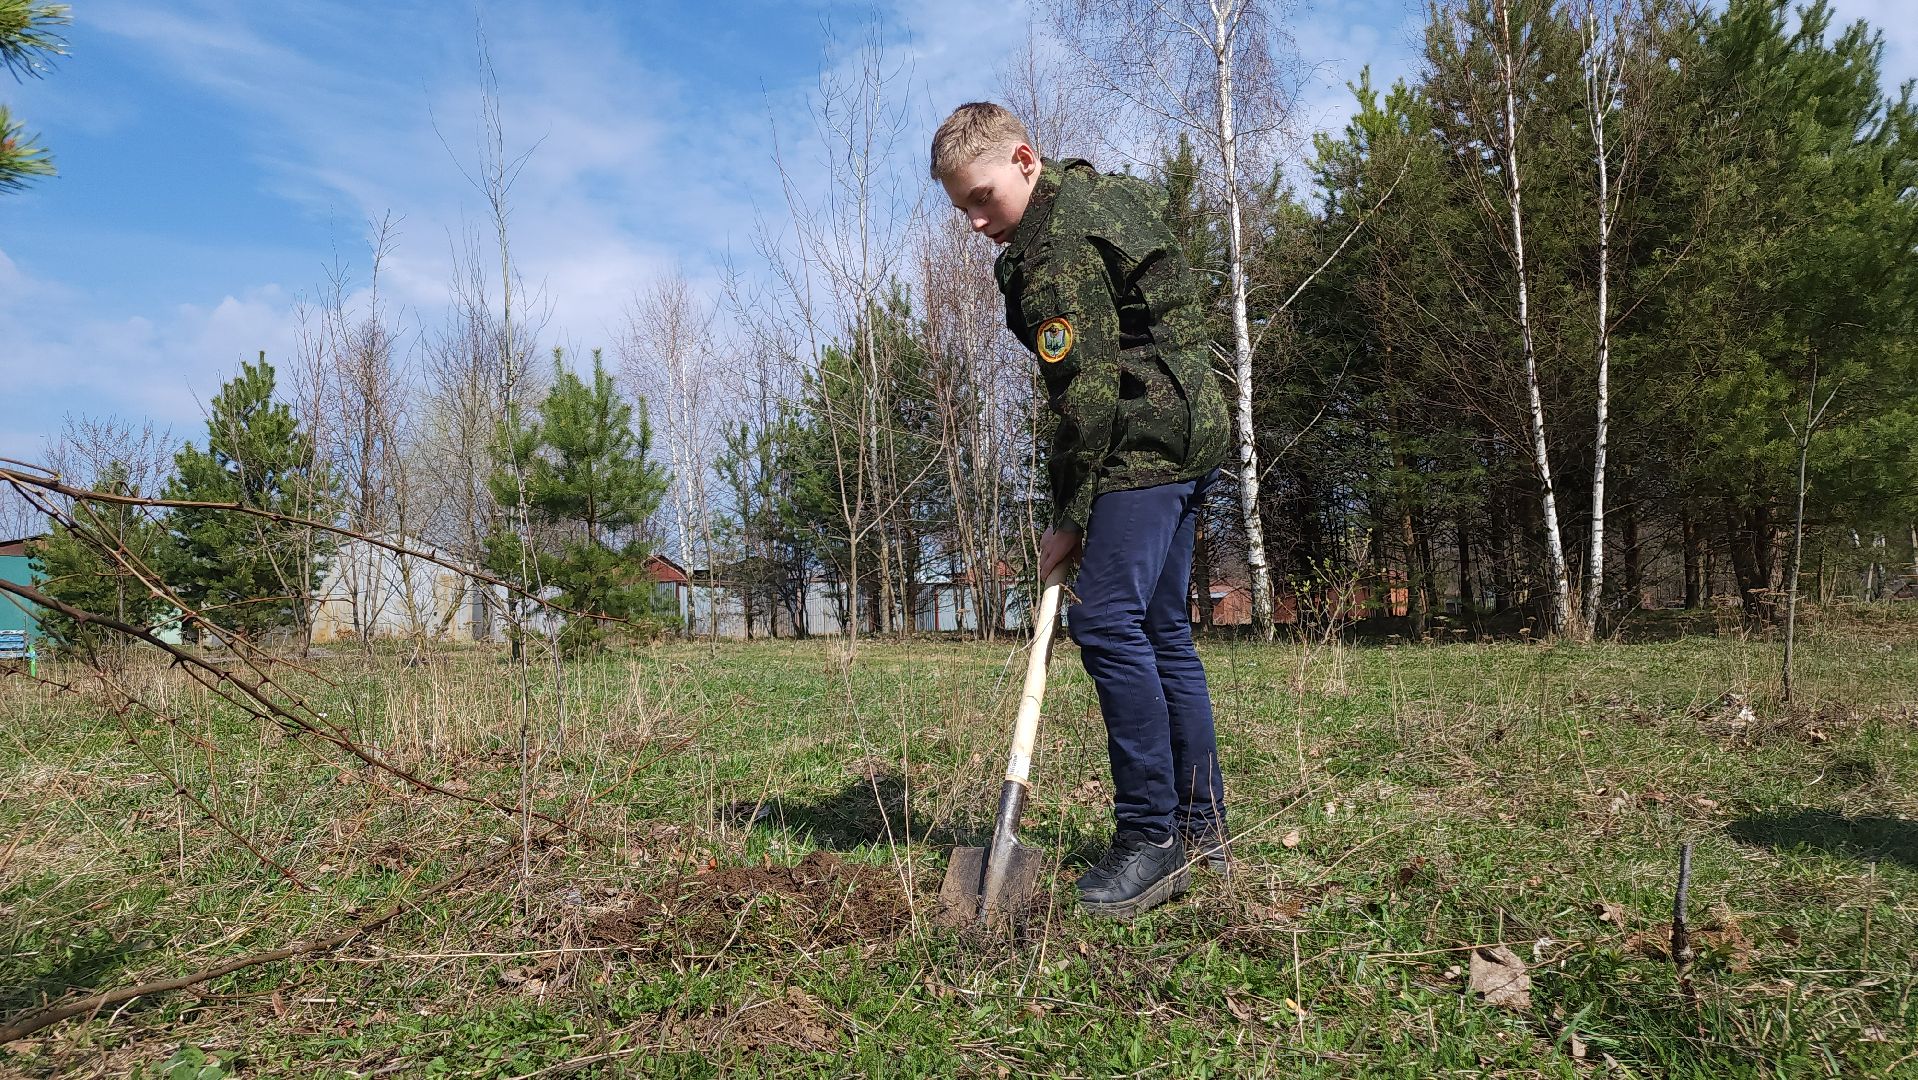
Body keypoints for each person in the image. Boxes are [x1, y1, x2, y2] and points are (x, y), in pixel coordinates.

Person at [931, 102, 1233, 918]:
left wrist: (1068, 513)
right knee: (1161, 630)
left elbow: (1088, 392)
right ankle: (1203, 831)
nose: (976, 221)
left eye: (983, 197)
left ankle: (1151, 840)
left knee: (1104, 623)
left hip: (1141, 439)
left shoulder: (1057, 247)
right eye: (963, 207)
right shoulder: (1092, 193)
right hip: (1189, 428)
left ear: (1025, 159)